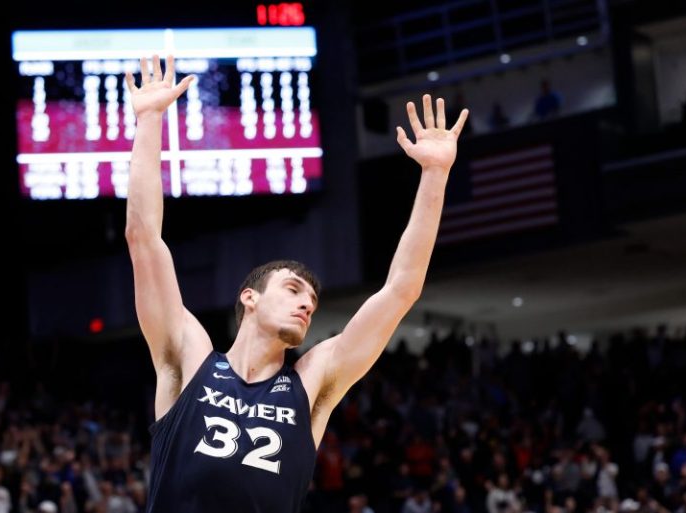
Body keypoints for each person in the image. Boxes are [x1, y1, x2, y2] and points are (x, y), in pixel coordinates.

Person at [124, 54, 469, 513]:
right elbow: (144, 240)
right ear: (249, 297)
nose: (307, 304)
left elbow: (401, 289)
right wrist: (150, 121)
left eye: (312, 300)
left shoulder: (311, 381)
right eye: (292, 289)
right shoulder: (189, 359)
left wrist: (435, 175)